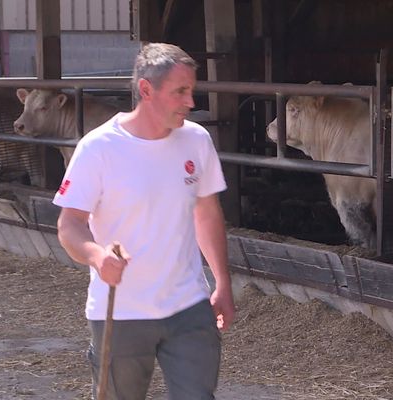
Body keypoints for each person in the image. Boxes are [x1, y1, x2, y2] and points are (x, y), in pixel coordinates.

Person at [53, 42, 236, 399]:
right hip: (121, 311)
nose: (191, 102)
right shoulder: (98, 147)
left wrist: (223, 282)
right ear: (146, 90)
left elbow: (207, 212)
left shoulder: (196, 141)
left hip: (189, 306)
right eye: (180, 92)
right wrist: (96, 256)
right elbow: (69, 224)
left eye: (192, 91)